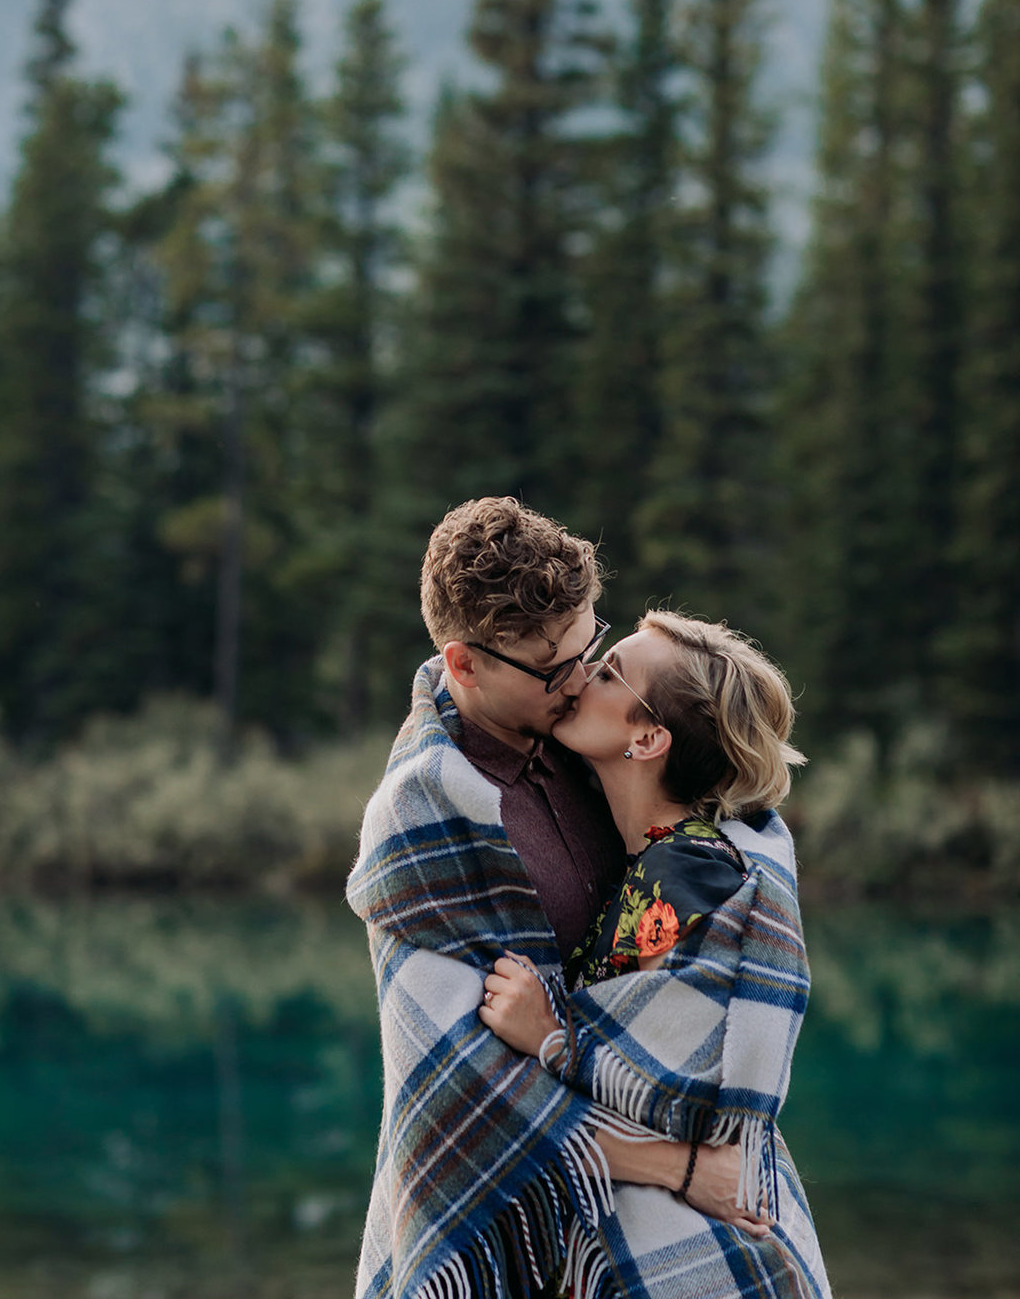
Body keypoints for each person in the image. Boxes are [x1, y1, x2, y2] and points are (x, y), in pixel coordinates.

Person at [347, 499, 771, 1299]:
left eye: (591, 649)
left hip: (668, 1204)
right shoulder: (426, 816)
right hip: (527, 1221)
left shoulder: (590, 748)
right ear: (465, 664)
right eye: (554, 666)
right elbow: (465, 1100)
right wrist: (679, 1167)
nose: (580, 680)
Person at [478, 610, 831, 1299]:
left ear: (646, 737)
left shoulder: (686, 877)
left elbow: (677, 1097)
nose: (582, 677)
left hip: (705, 1258)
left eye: (609, 672)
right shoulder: (651, 858)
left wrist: (551, 1039)